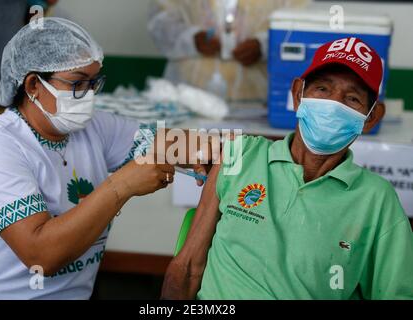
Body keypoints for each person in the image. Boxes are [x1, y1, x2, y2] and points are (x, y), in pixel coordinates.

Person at [0, 17, 217, 299]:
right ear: (33, 85)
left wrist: (216, 150)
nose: (88, 96)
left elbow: (167, 143)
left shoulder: (91, 128)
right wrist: (121, 185)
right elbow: (41, 255)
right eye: (77, 83)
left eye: (94, 82)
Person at [162, 37, 413, 300]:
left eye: (351, 98)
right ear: (297, 94)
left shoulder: (376, 199)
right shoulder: (241, 155)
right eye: (323, 89)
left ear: (370, 118)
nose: (334, 104)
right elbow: (188, 267)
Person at [148, 0, 309, 102]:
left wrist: (264, 45)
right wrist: (191, 39)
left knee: (251, 151)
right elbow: (160, 21)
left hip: (258, 100)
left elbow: (302, 24)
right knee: (189, 151)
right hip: (188, 97)